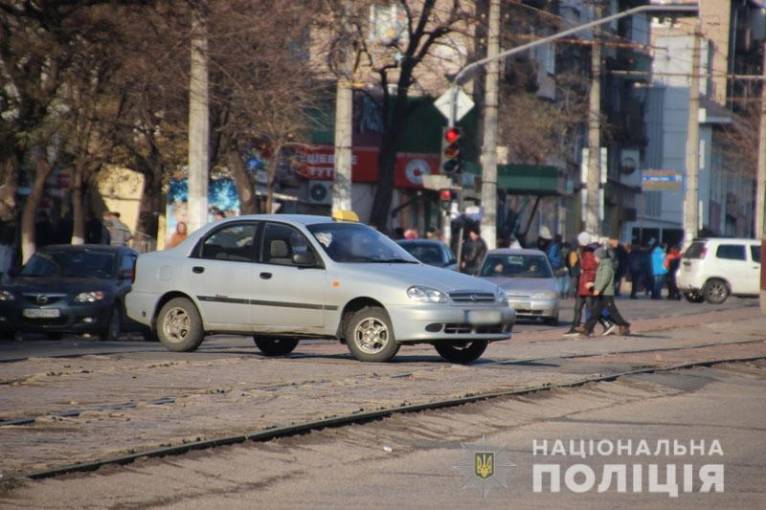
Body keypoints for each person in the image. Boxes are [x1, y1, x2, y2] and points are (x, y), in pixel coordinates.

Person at [582, 248, 631, 336]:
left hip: (606, 293)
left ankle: (624, 325)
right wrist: (593, 284)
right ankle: (587, 328)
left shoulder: (606, 267)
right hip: (602, 293)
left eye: (595, 257)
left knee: (612, 312)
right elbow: (600, 279)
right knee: (595, 311)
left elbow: (605, 280)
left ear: (600, 257)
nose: (594, 259)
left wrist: (598, 289)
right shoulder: (602, 266)